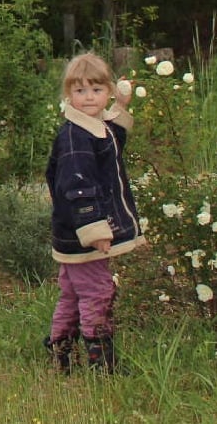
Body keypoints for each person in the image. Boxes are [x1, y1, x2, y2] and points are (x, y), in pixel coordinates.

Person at [44, 52, 143, 374]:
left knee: (73, 292)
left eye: (96, 90)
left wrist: (122, 107)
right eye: (80, 91)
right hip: (83, 231)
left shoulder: (95, 129)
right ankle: (100, 359)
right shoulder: (75, 137)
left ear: (109, 91)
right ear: (67, 95)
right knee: (99, 290)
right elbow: (78, 187)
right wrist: (96, 230)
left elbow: (112, 141)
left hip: (71, 232)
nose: (89, 98)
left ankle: (61, 351)